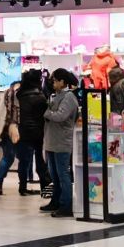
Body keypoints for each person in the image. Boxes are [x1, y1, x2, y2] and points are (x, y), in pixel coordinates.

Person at [42, 69, 80, 218]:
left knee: (62, 174)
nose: (53, 83)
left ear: (63, 82)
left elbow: (61, 116)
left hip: (62, 142)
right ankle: (55, 201)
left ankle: (66, 205)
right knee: (54, 175)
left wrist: (45, 112)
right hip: (52, 140)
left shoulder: (69, 97)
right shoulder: (55, 96)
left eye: (56, 80)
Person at [11, 72, 48, 196]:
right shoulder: (40, 96)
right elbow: (45, 116)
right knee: (40, 160)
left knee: (24, 161)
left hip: (23, 131)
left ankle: (22, 187)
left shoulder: (19, 95)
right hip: (38, 132)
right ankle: (44, 187)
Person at [0, 80, 21, 195]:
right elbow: (14, 113)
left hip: (4, 129)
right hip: (10, 129)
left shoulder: (7, 93)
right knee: (9, 156)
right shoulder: (14, 94)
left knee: (8, 156)